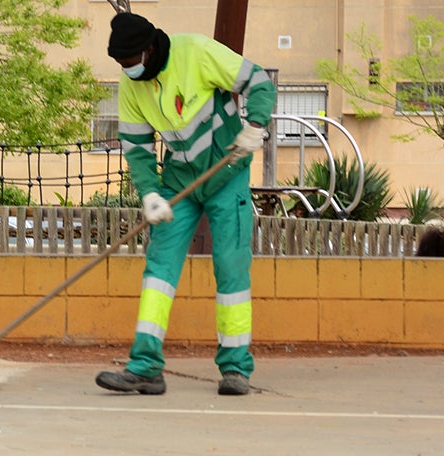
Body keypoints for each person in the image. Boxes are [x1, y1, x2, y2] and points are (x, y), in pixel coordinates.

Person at [94, 12, 276, 396]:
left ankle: (235, 369)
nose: (128, 70)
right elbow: (138, 149)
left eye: (131, 61)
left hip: (227, 173)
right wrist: (150, 194)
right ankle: (145, 367)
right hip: (179, 180)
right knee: (158, 270)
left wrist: (254, 126)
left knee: (231, 270)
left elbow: (259, 82)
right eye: (121, 65)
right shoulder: (132, 87)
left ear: (149, 48)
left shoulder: (196, 51)